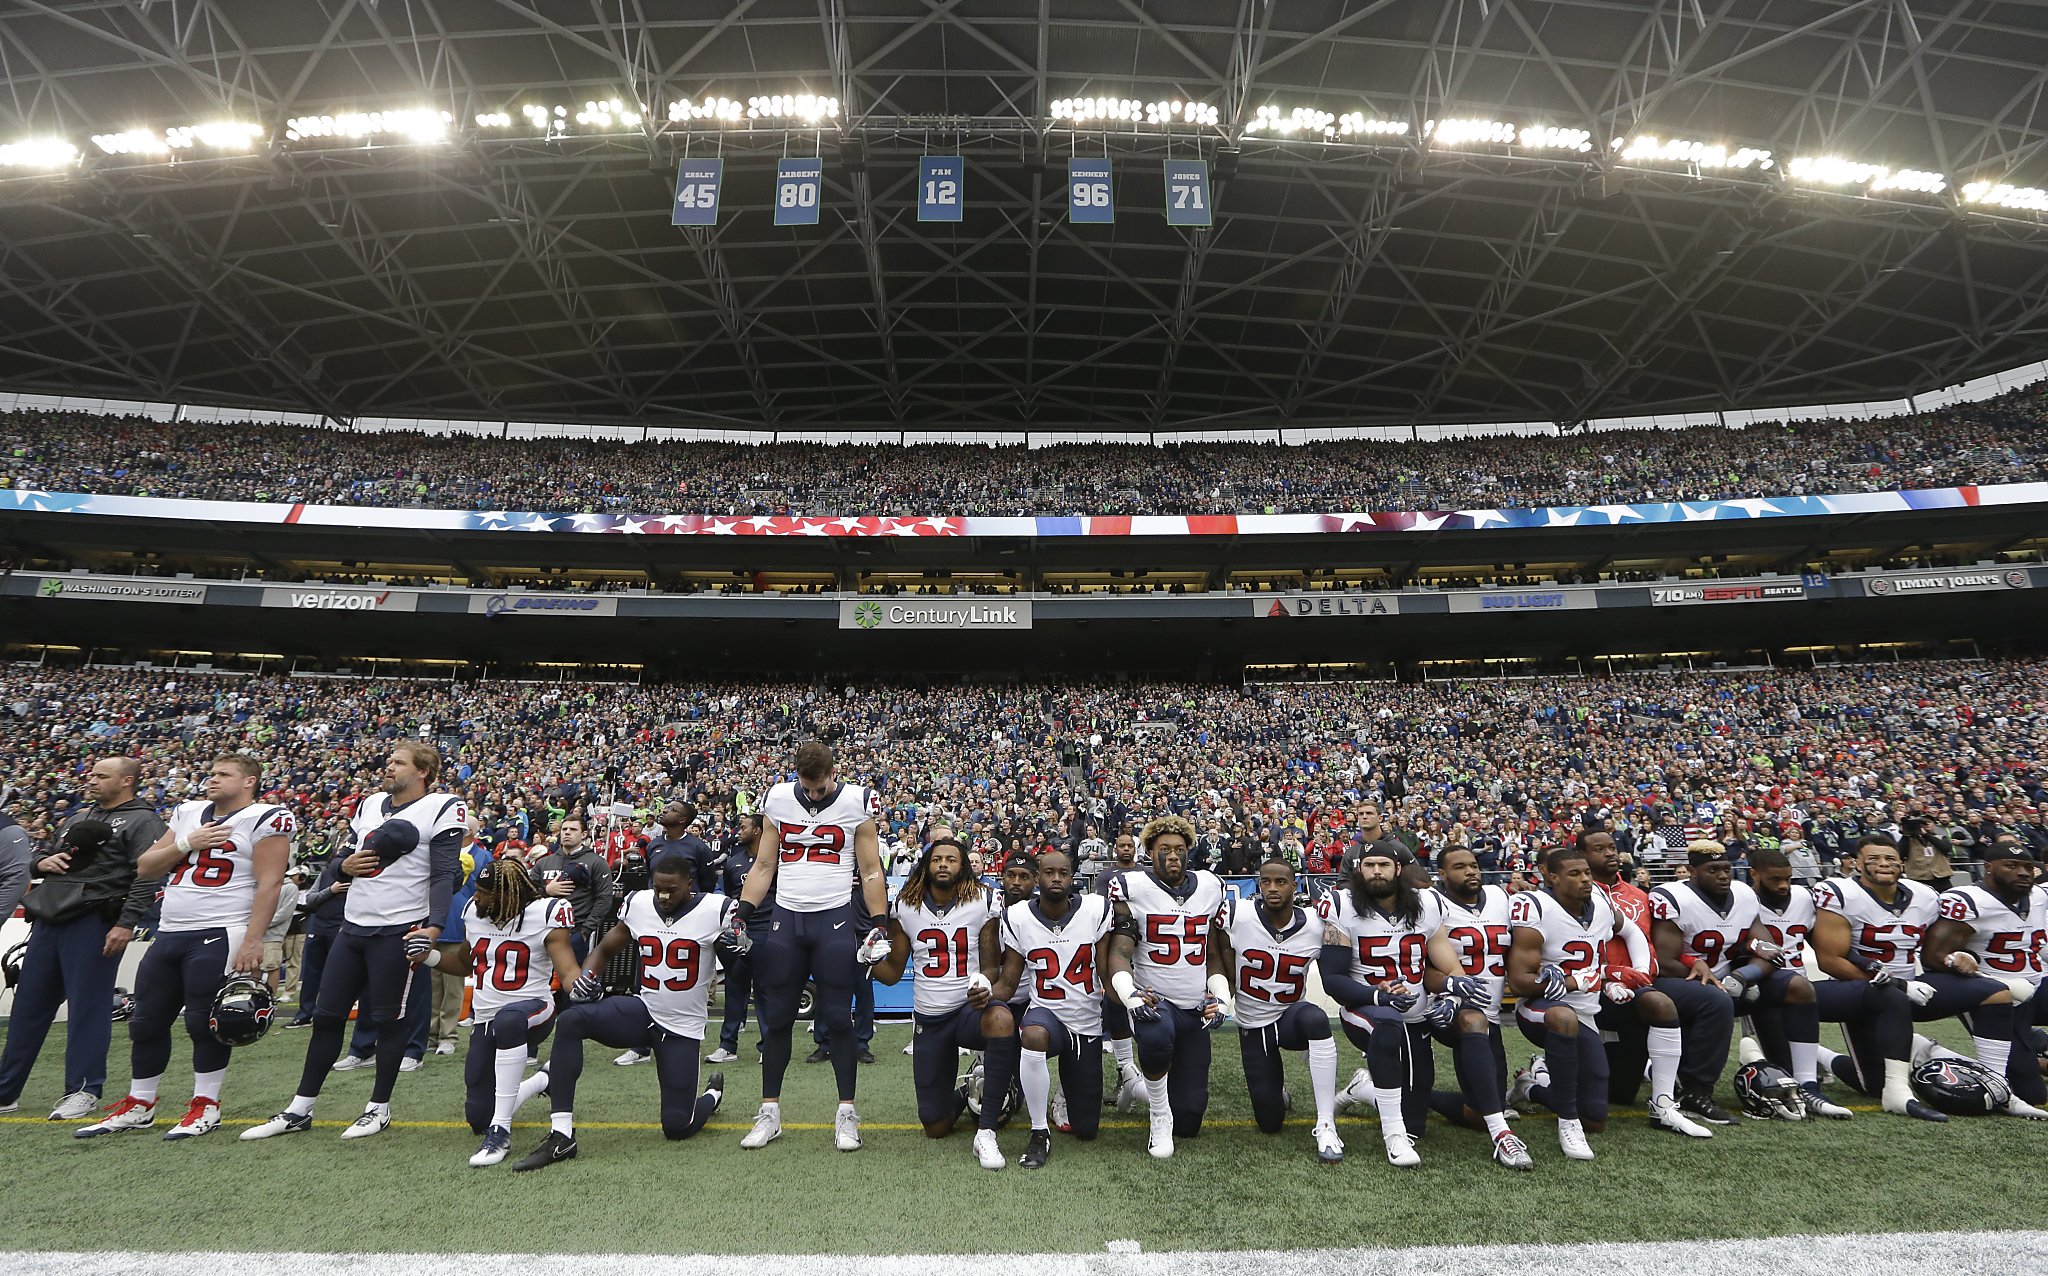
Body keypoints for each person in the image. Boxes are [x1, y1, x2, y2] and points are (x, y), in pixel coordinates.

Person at [242, 741, 465, 1141]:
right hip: (353, 925)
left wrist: (433, 927)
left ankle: (378, 1109)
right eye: (389, 759)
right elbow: (340, 860)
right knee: (326, 1016)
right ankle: (300, 1107)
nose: (388, 766)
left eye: (398, 762)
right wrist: (342, 866)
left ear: (423, 772)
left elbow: (445, 874)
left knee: (388, 1021)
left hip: (399, 928)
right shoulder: (369, 804)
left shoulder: (443, 807)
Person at [78, 755, 293, 1141]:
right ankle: (140, 1103)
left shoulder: (265, 817)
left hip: (221, 928)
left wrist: (253, 938)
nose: (212, 779)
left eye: (223, 774)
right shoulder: (189, 812)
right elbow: (146, 867)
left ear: (249, 782)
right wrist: (185, 842)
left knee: (203, 1022)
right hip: (172, 928)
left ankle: (205, 1106)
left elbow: (270, 883)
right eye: (210, 772)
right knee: (145, 1020)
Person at [514, 854, 739, 1170]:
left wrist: (740, 944)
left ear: (690, 883)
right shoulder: (640, 903)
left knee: (677, 1127)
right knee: (571, 1020)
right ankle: (562, 1135)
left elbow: (743, 959)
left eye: (671, 889)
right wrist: (585, 979)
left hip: (682, 1027)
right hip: (643, 1010)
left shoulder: (716, 909)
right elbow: (605, 949)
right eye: (658, 888)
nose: (663, 896)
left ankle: (712, 1095)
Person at [731, 741, 889, 1152]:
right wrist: (744, 911)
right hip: (787, 916)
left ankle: (846, 1113)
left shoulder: (857, 800)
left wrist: (879, 923)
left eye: (821, 788)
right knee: (779, 1016)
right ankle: (769, 1112)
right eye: (809, 787)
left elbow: (870, 869)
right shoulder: (779, 798)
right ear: (797, 775)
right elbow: (764, 864)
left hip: (834, 918)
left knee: (838, 1017)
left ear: (834, 773)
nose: (815, 795)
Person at [1811, 833, 2036, 1114]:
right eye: (1874, 859)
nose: (1883, 864)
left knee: (1994, 991)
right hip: (1863, 990)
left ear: (1902, 864)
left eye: (1890, 859)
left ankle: (1996, 1082)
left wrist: (1963, 957)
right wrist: (1896, 985)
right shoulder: (1842, 893)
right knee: (1872, 1085)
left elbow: (1938, 949)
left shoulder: (1924, 895)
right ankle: (1824, 1055)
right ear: (1858, 863)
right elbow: (1830, 960)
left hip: (1914, 984)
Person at [0, 756, 167, 1121]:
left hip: (95, 920)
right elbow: (41, 856)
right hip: (49, 918)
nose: (91, 780)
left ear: (126, 781)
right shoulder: (78, 816)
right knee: (28, 1006)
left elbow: (147, 876)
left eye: (101, 776)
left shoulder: (144, 820)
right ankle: (5, 1091)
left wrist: (126, 924)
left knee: (88, 1008)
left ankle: (84, 1089)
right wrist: (39, 863)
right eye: (91, 774)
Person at [1649, 840, 1848, 1119]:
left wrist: (1743, 976)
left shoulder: (1742, 894)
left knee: (1798, 986)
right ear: (1691, 871)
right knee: (1717, 999)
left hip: (1731, 979)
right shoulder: (1671, 897)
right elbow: (1664, 961)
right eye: (1712, 869)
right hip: (1681, 980)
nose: (1722, 876)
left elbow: (1768, 951)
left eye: (1726, 869)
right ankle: (1696, 1092)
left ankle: (1806, 1083)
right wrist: (1713, 978)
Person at [1756, 845, 1941, 1122]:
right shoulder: (1742, 899)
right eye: (1775, 880)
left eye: (1788, 879)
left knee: (1889, 999)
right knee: (1781, 1076)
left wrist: (1875, 968)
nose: (1784, 886)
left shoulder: (1805, 898)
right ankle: (1810, 1060)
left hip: (1805, 989)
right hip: (1762, 987)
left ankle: (1892, 1071)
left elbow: (1828, 949)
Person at [871, 834, 1016, 1170]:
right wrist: (868, 959)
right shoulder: (906, 905)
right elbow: (893, 973)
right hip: (930, 1019)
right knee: (935, 1126)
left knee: (1002, 1019)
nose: (943, 865)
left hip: (969, 1010)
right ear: (926, 865)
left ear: (962, 865)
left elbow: (992, 963)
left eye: (951, 859)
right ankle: (969, 1091)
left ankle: (987, 1129)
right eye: (937, 859)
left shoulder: (982, 899)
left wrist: (984, 983)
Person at [1503, 844, 1654, 1161]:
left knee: (1596, 1117)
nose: (1585, 879)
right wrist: (1573, 982)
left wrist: (1628, 974)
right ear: (1553, 878)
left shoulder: (1599, 905)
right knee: (1564, 1018)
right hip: (1540, 1009)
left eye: (1587, 872)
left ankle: (1531, 1087)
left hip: (1585, 1013)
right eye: (1575, 874)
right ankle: (1567, 1123)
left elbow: (1632, 932)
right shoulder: (1535, 907)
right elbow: (1519, 982)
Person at [1318, 842, 1460, 1167]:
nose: (1376, 871)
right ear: (1359, 870)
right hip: (1365, 1010)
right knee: (1385, 1024)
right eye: (1369, 865)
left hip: (1414, 1014)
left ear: (1398, 870)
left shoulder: (1427, 904)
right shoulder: (1341, 904)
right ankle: (1393, 1136)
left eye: (1383, 864)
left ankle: (1363, 1089)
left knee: (1417, 1122)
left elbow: (1449, 964)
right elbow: (1333, 979)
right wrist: (1377, 995)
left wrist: (1450, 996)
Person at [1100, 814, 1227, 1159]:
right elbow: (1121, 951)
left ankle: (1136, 1087)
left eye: (1180, 849)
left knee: (1190, 1120)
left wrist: (1222, 998)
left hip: (1194, 1008)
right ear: (1149, 853)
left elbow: (1213, 954)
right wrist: (1130, 994)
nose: (1173, 856)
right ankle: (1158, 1114)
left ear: (1189, 852)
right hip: (1155, 1000)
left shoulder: (1210, 886)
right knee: (1155, 1031)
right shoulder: (1133, 888)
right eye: (1164, 850)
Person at [1208, 857, 1346, 1164]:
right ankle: (1277, 1092)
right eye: (1266, 882)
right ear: (1258, 885)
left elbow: (1339, 964)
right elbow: (1217, 959)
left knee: (1315, 1017)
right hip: (1253, 1023)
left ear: (1295, 887)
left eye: (1280, 882)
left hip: (1290, 1017)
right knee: (1270, 1122)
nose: (1272, 888)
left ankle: (1326, 1123)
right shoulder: (1237, 915)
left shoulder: (1316, 923)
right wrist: (1219, 997)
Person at [1575, 829, 1713, 1136]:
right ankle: (1541, 1076)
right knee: (1610, 1097)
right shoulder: (1572, 896)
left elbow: (1656, 944)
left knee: (1710, 999)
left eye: (1613, 847)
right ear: (1581, 857)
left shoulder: (1640, 896)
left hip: (1641, 986)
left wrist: (1691, 960)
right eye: (1600, 849)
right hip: (1590, 989)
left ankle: (1678, 1097)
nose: (1611, 853)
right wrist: (1611, 976)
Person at [989, 849, 1114, 1169]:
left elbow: (1105, 971)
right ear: (1038, 877)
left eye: (1063, 873)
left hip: (1085, 1023)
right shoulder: (1018, 917)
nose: (1056, 878)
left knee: (1087, 1130)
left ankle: (1061, 1093)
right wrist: (983, 994)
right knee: (1032, 1033)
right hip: (1046, 1014)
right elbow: (1009, 981)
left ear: (1073, 878)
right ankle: (1038, 1131)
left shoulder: (1095, 910)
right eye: (1049, 872)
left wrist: (1133, 995)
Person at [453, 857, 577, 1166]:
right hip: (485, 1019)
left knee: (507, 1019)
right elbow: (461, 964)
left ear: (507, 896)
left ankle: (501, 1131)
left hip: (533, 1010)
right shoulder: (474, 913)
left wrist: (583, 985)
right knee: (477, 1116)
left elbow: (568, 971)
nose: (476, 897)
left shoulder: (545, 914)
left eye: (484, 892)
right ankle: (540, 1081)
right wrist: (424, 956)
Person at [1920, 837, 2048, 1118]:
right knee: (2033, 1094)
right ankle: (1928, 1051)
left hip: (2037, 985)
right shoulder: (1969, 901)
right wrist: (1963, 963)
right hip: (1996, 994)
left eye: (2028, 866)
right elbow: (1932, 957)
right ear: (1988, 867)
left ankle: (2034, 1042)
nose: (2023, 872)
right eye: (2011, 866)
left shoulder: (2040, 896)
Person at [1428, 845, 1536, 1168]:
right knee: (1472, 1019)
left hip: (1489, 1014)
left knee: (1480, 1111)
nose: (1471, 871)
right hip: (1448, 1009)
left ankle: (1376, 1091)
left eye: (1474, 865)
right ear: (1442, 875)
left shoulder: (1500, 897)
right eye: (1460, 867)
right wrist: (1449, 989)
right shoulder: (1432, 903)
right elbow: (1422, 964)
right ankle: (1503, 1137)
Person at [1089, 829, 1145, 1108]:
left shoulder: (1146, 874)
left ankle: (1145, 1073)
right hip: (1115, 940)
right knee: (1116, 1000)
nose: (1125, 849)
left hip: (1145, 944)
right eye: (1121, 845)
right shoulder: (1105, 876)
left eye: (1129, 845)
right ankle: (1125, 1071)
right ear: (1115, 849)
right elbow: (1102, 908)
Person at [707, 812, 764, 1065]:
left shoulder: (775, 859)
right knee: (734, 986)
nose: (738, 832)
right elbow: (733, 897)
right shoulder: (733, 862)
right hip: (740, 931)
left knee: (765, 990)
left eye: (743, 827)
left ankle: (768, 1046)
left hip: (766, 930)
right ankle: (727, 1045)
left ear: (758, 830)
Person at [431, 819, 491, 1056]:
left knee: (453, 988)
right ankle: (430, 1033)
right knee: (432, 987)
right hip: (434, 925)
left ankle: (448, 1035)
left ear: (468, 831)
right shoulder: (439, 852)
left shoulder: (483, 857)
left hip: (460, 926)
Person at [283, 844, 350, 1030]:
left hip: (341, 927)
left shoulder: (359, 876)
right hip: (319, 925)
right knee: (312, 973)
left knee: (339, 974)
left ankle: (333, 1015)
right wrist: (331, 891)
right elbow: (310, 900)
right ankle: (305, 1014)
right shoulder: (327, 874)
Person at [531, 815, 615, 962]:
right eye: (564, 829)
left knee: (570, 981)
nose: (567, 832)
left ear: (583, 834)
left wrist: (585, 931)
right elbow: (527, 893)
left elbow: (604, 898)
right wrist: (546, 891)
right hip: (541, 930)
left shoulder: (596, 862)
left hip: (575, 931)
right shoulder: (544, 862)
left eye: (573, 829)